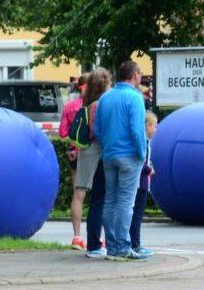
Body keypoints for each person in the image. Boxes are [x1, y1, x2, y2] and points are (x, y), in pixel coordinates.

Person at [94, 60, 148, 261]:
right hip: (130, 156)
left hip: (109, 155)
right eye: (140, 73)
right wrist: (142, 153)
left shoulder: (105, 98)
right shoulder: (135, 98)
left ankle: (112, 246)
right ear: (134, 75)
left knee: (110, 201)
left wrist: (108, 145)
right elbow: (137, 129)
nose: (141, 77)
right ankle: (124, 247)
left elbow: (97, 129)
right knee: (126, 202)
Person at [74, 68, 112, 259]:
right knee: (100, 198)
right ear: (104, 83)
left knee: (97, 199)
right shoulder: (100, 104)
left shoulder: (89, 102)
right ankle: (95, 244)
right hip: (99, 154)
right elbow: (98, 132)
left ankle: (95, 242)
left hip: (90, 154)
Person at [58, 72, 89, 250]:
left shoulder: (70, 106)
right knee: (100, 196)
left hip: (74, 152)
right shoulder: (96, 106)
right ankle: (100, 237)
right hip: (92, 153)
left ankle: (77, 237)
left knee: (78, 195)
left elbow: (63, 132)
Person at [129, 111, 158, 257]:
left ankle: (134, 242)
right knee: (137, 215)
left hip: (142, 183)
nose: (156, 129)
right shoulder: (144, 144)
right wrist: (149, 169)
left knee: (136, 214)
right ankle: (135, 243)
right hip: (141, 184)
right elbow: (140, 162)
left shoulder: (146, 143)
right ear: (147, 126)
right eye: (154, 125)